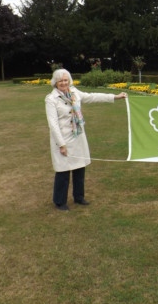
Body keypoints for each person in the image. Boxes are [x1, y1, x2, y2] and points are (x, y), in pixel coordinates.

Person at [45, 68, 128, 211]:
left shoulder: (74, 92)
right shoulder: (51, 99)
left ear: (69, 80)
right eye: (60, 81)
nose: (63, 83)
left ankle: (79, 197)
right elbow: (53, 124)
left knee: (79, 168)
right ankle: (60, 201)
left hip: (77, 136)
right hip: (63, 138)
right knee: (63, 171)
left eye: (66, 80)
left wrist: (115, 97)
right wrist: (61, 144)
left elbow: (92, 96)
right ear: (55, 83)